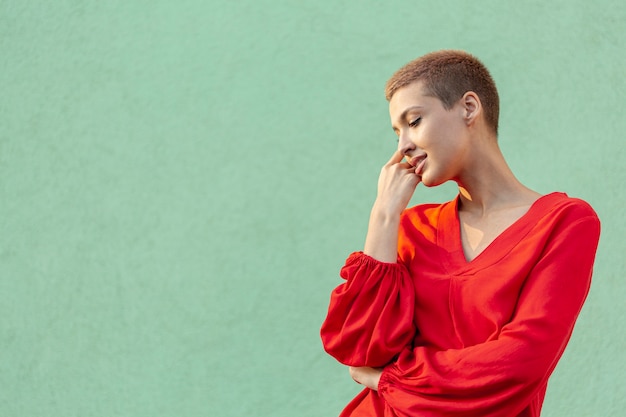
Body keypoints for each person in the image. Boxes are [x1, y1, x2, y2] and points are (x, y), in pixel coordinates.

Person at [320, 50, 601, 417]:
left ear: (469, 107)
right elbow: (360, 349)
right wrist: (384, 214)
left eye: (414, 121)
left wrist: (388, 380)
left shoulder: (564, 223)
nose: (403, 145)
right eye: (397, 132)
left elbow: (517, 365)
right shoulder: (412, 229)